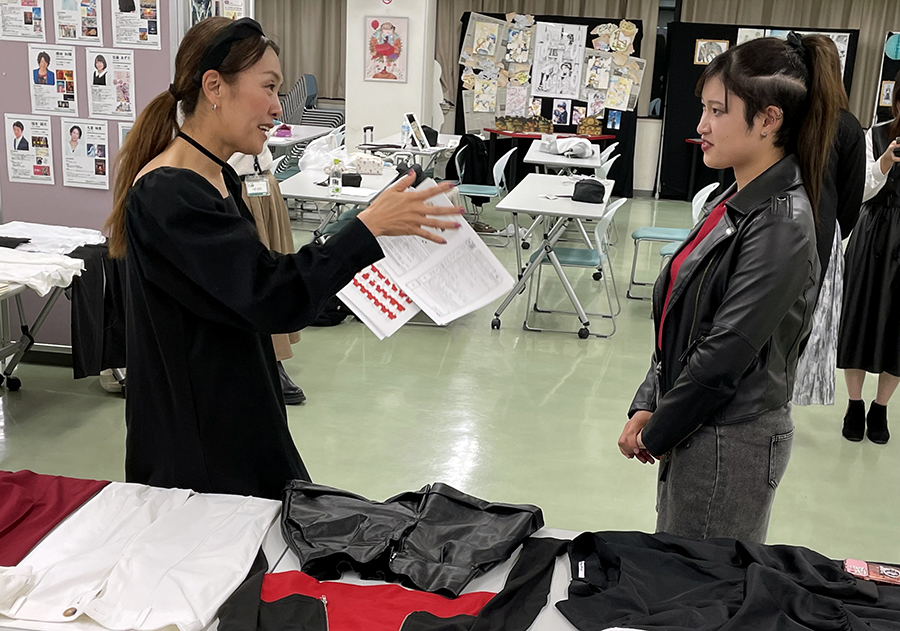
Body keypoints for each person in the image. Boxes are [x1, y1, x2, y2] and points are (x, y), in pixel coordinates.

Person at [103, 17, 461, 500]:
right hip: (200, 451)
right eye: (268, 87)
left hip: (236, 419)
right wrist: (366, 229)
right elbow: (271, 295)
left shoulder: (216, 177)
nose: (277, 107)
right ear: (214, 86)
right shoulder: (169, 193)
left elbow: (249, 287)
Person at [619, 32, 841, 543]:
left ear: (768, 120)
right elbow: (683, 316)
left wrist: (659, 430)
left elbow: (724, 354)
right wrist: (650, 399)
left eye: (717, 111)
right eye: (704, 108)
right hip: (698, 425)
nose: (701, 125)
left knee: (701, 580)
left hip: (729, 442)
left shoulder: (781, 222)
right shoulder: (735, 199)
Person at [792, 38, 865, 408]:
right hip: (821, 235)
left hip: (776, 226)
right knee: (806, 321)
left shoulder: (786, 116)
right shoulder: (848, 127)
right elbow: (851, 202)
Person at [836, 68, 900, 445]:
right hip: (873, 230)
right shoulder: (874, 134)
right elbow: (859, 190)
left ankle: (881, 407)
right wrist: (885, 162)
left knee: (897, 327)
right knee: (859, 315)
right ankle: (855, 404)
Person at [227, 146, 306, 405]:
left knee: (277, 268)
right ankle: (268, 360)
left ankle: (274, 355)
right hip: (236, 186)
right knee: (252, 276)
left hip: (264, 183)